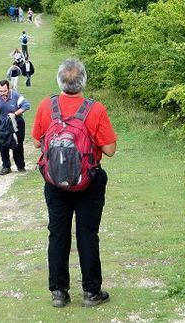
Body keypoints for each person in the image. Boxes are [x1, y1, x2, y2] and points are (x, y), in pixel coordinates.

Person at [31, 58, 117, 308]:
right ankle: (91, 292)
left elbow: (37, 143)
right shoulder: (95, 109)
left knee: (57, 234)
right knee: (87, 234)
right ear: (83, 81)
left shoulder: (47, 106)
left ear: (59, 80)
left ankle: (59, 292)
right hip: (89, 181)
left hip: (55, 182)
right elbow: (109, 150)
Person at [0, 80, 30, 175]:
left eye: (4, 91)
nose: (2, 93)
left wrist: (14, 114)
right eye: (0, 91)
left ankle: (20, 167)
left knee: (17, 145)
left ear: (9, 89)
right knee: (3, 145)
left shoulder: (16, 96)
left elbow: (26, 106)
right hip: (3, 124)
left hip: (17, 123)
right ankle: (6, 167)